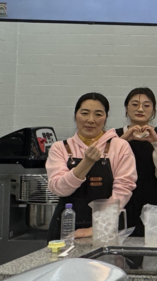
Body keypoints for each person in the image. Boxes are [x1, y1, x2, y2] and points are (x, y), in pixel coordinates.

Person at [46, 93, 137, 240]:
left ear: (105, 118)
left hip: (107, 228)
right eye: (84, 113)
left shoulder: (120, 146)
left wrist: (99, 226)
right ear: (75, 115)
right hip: (66, 227)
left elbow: (124, 187)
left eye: (98, 114)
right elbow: (59, 188)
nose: (91, 120)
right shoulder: (60, 148)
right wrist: (86, 162)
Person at [115, 88, 157, 238]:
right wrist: (122, 141)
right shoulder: (115, 135)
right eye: (134, 104)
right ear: (126, 108)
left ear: (153, 110)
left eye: (146, 105)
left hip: (155, 206)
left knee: (156, 250)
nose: (140, 109)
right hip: (122, 205)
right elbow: (106, 169)